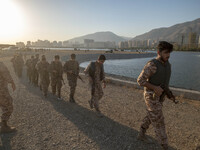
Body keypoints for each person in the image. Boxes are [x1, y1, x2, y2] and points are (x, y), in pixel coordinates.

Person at [137, 41, 175, 150]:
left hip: (161, 96)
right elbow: (140, 80)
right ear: (159, 52)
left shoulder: (168, 65)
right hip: (151, 96)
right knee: (159, 121)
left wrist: (170, 95)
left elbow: (164, 83)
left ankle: (141, 134)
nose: (168, 55)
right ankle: (164, 146)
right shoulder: (152, 65)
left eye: (169, 52)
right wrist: (154, 87)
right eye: (166, 52)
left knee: (150, 116)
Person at [0, 62, 16, 133]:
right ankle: (3, 125)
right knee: (9, 106)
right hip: (1, 90)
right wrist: (12, 82)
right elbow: (5, 73)